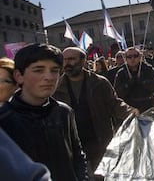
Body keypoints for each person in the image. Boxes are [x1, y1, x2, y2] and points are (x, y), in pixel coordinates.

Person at [0, 43, 88, 181]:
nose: (49, 77)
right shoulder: (4, 119)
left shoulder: (64, 112)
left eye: (54, 70)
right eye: (38, 70)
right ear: (19, 76)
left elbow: (77, 155)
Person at [55, 46, 135, 177]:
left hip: (99, 140)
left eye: (71, 59)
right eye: (64, 60)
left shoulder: (99, 83)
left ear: (83, 61)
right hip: (70, 144)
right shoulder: (56, 86)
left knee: (102, 176)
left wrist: (130, 111)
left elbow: (114, 104)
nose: (67, 63)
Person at [114, 47, 154, 113]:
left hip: (148, 106)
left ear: (139, 57)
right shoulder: (121, 73)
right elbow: (117, 93)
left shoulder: (148, 69)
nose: (132, 59)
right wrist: (128, 84)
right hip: (130, 108)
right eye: (129, 56)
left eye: (135, 56)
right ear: (125, 59)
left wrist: (145, 82)